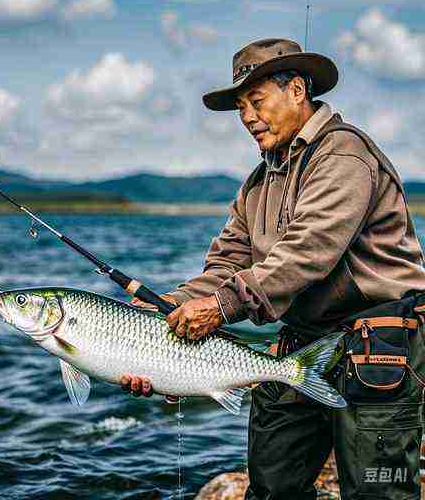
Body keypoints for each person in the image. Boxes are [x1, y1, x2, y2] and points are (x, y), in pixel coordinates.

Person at [122, 38, 425, 499]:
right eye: (240, 106)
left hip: (378, 347)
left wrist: (221, 307)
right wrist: (163, 316)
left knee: (377, 494)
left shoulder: (343, 155)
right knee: (270, 489)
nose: (246, 117)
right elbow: (225, 263)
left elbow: (308, 251)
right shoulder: (258, 183)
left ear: (298, 90)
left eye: (256, 101)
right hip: (299, 347)